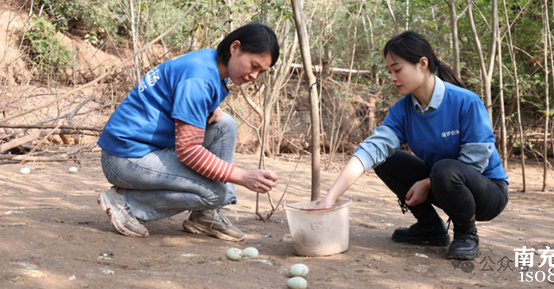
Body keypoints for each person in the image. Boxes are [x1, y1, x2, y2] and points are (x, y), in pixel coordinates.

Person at [318, 31, 508, 260]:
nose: (392, 77)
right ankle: (430, 227)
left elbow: (476, 160)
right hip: (442, 183)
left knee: (444, 169)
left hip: (487, 192)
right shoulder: (401, 111)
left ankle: (466, 234)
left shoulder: (465, 101)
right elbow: (370, 150)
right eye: (389, 72)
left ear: (422, 64)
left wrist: (427, 183)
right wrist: (330, 197)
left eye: (397, 70)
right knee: (385, 159)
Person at [96, 23, 279, 241]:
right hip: (124, 158)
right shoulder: (199, 79)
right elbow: (189, 151)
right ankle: (125, 202)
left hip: (146, 149)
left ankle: (205, 215)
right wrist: (243, 176)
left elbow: (184, 92)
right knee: (214, 193)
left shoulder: (209, 62)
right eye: (254, 65)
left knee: (225, 125)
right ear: (235, 48)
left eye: (261, 72)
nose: (254, 76)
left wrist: (212, 104)